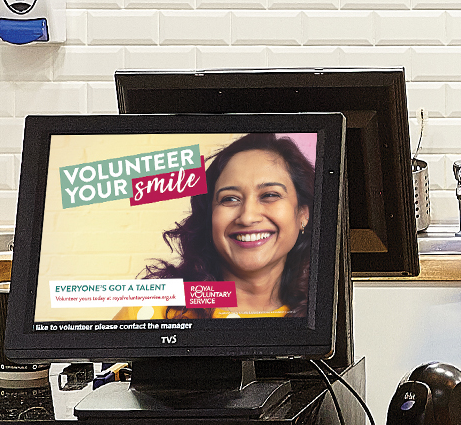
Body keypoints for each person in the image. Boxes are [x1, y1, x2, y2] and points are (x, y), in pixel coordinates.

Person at [118, 132, 317, 320]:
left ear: (303, 213)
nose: (247, 217)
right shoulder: (150, 311)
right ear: (210, 215)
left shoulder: (324, 315)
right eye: (230, 198)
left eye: (270, 195)